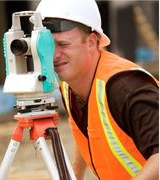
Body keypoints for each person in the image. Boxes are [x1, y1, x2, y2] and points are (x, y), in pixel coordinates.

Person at [31, 0, 159, 179]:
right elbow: (89, 128)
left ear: (91, 42)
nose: (54, 55)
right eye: (48, 46)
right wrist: (75, 175)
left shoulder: (126, 87)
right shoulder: (69, 82)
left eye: (63, 44)